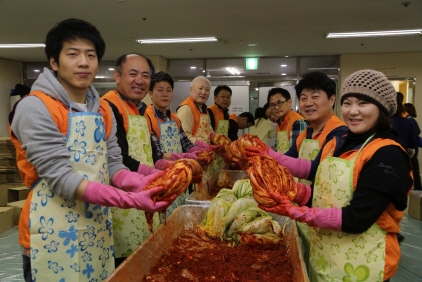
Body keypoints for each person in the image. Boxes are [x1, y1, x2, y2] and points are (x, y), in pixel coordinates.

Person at [9, 19, 174, 282]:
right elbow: (62, 179)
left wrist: (143, 181)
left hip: (96, 227)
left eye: (91, 55)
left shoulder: (100, 110)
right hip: (50, 234)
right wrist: (131, 200)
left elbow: (113, 165)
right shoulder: (34, 108)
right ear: (54, 61)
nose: (83, 62)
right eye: (72, 54)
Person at [253, 69, 413, 282]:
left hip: (364, 267)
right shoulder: (339, 142)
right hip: (326, 260)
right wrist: (292, 191)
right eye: (348, 103)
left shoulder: (387, 154)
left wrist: (294, 211)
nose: (353, 111)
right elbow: (322, 191)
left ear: (381, 108)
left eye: (363, 103)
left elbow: (356, 218)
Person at [101, 53, 170, 266]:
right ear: (117, 76)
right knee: (125, 264)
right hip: (121, 203)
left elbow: (151, 153)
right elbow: (117, 158)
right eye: (133, 74)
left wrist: (168, 168)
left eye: (145, 75)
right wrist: (153, 177)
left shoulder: (140, 109)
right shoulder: (109, 106)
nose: (139, 80)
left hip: (145, 195)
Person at [145, 71, 208, 211]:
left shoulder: (174, 118)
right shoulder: (147, 118)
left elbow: (185, 143)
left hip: (181, 176)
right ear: (150, 93)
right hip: (163, 178)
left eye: (168, 90)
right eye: (160, 90)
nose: (165, 94)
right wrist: (186, 158)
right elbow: (157, 154)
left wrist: (200, 152)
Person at [176, 76, 221, 176]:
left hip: (205, 158)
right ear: (191, 90)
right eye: (200, 88)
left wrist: (217, 139)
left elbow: (209, 131)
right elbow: (185, 137)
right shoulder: (186, 109)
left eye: (207, 90)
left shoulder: (204, 108)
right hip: (193, 159)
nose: (204, 92)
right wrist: (205, 146)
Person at [268, 87, 307, 153]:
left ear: (289, 102)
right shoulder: (279, 122)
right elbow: (278, 147)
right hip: (282, 161)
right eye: (273, 105)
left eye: (279, 103)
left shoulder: (298, 122)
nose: (276, 107)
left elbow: (295, 153)